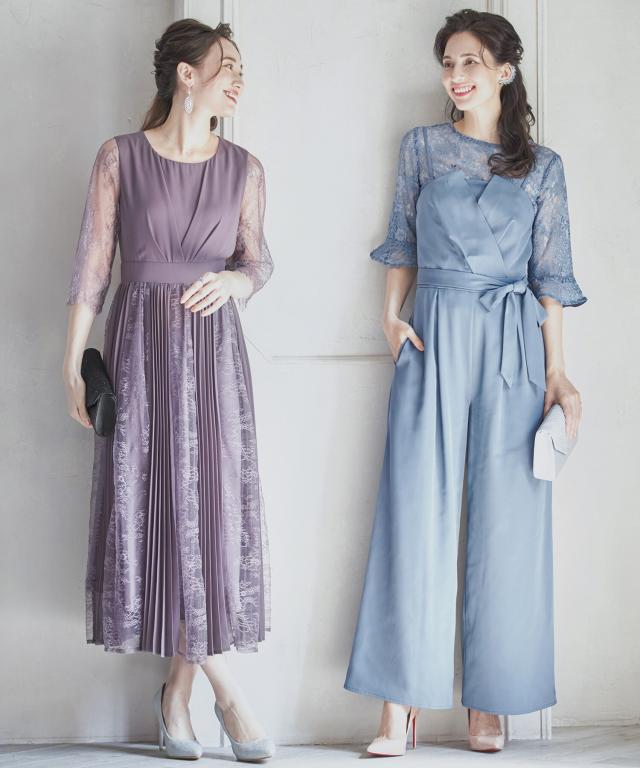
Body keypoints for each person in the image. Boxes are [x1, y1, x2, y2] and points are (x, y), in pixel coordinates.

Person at [343, 8, 586, 756]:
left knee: (510, 523)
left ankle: (491, 701)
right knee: (413, 511)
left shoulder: (542, 166)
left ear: (505, 70)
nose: (456, 75)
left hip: (513, 345)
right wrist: (391, 319)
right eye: (449, 62)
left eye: (471, 61)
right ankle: (399, 705)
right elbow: (401, 240)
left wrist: (558, 372)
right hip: (434, 333)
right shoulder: (421, 147)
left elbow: (550, 278)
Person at [62, 18, 275, 762]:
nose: (238, 80)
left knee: (207, 519)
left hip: (214, 354)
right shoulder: (119, 156)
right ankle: (227, 693)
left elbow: (258, 260)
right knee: (157, 510)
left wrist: (237, 283)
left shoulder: (245, 167)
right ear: (187, 74)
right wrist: (71, 362)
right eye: (227, 66)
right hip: (141, 350)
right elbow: (93, 264)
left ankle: (180, 696)